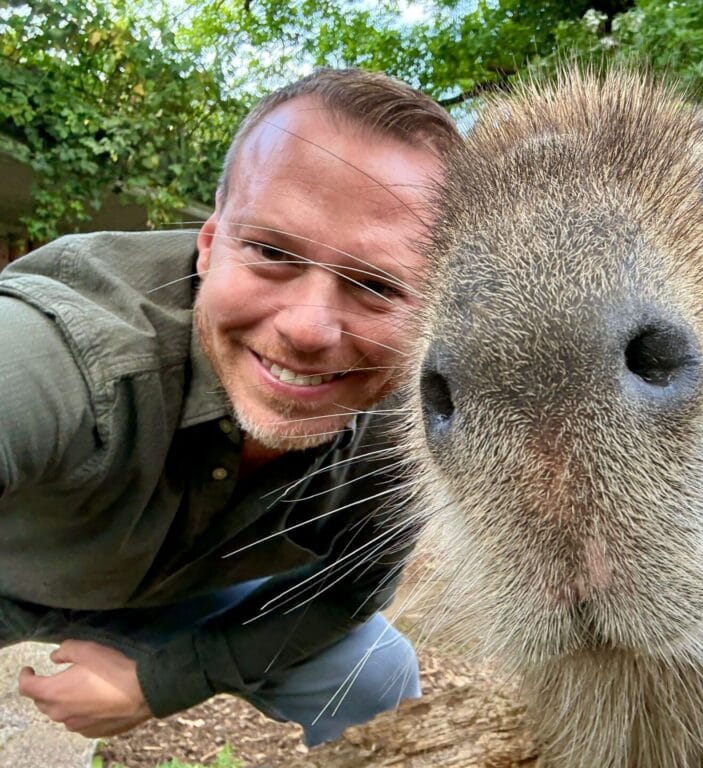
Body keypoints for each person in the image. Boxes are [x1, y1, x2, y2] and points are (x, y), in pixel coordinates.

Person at [0, 67, 460, 746]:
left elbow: (350, 588)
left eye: (376, 286)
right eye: (271, 252)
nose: (308, 329)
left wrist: (158, 685)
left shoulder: (411, 430)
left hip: (169, 601)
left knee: (374, 675)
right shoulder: (62, 355)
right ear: (211, 244)